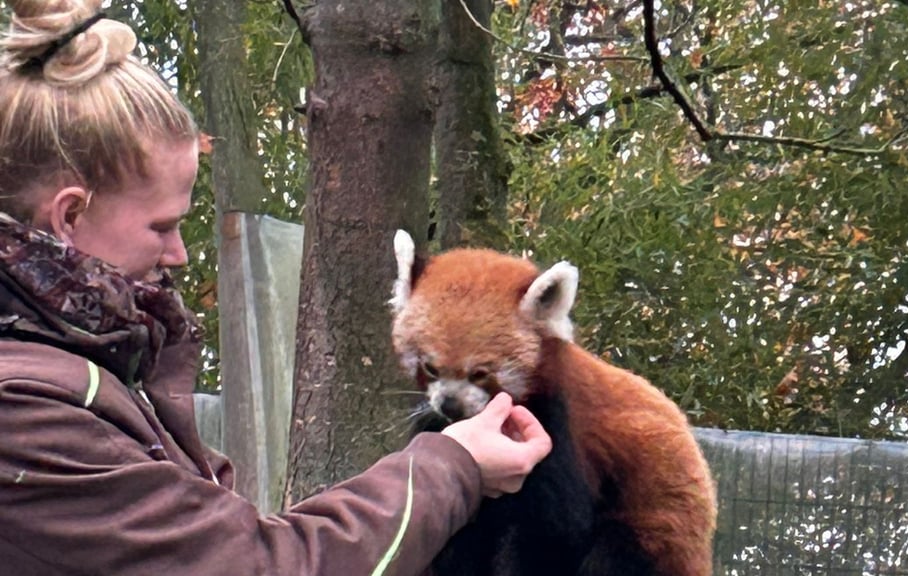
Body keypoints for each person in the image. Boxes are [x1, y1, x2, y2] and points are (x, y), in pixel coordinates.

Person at [0, 1, 552, 575]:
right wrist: (454, 465)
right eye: (161, 226)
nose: (179, 254)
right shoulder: (23, 409)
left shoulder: (85, 365)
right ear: (68, 217)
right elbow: (260, 566)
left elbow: (227, 542)